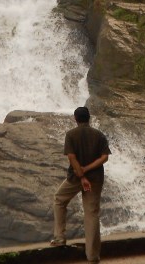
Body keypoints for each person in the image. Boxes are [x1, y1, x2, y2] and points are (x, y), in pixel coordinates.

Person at [51, 106, 110, 263]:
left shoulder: (71, 135)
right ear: (89, 118)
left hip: (75, 177)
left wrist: (82, 175)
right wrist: (88, 169)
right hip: (95, 178)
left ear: (75, 119)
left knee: (59, 199)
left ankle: (59, 237)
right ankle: (93, 256)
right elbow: (105, 157)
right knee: (91, 213)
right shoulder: (99, 135)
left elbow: (71, 157)